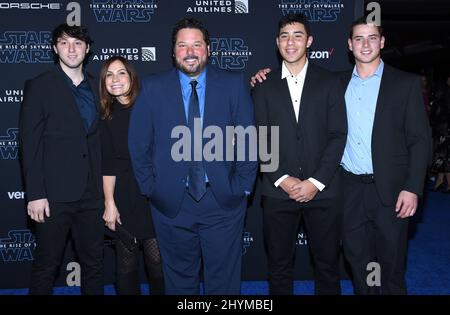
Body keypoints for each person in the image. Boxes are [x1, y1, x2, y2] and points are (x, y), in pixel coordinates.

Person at [128, 17, 257, 295]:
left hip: (223, 201)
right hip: (172, 204)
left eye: (197, 44)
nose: (190, 51)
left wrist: (243, 187)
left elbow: (248, 140)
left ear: (208, 49)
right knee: (179, 283)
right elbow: (139, 145)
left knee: (223, 283)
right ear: (173, 51)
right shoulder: (153, 87)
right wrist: (152, 189)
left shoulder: (233, 84)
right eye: (182, 45)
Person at [251, 13, 347, 295]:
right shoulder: (263, 86)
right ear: (277, 42)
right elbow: (260, 137)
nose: (290, 42)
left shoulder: (330, 83)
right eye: (284, 36)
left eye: (297, 36)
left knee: (327, 267)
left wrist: (315, 182)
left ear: (309, 41)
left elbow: (337, 135)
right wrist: (281, 178)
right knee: (279, 267)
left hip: (325, 192)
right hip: (278, 192)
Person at [338, 17, 432, 294]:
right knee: (358, 261)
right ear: (349, 44)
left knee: (391, 266)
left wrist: (413, 187)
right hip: (349, 188)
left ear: (382, 42)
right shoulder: (335, 83)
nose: (365, 44)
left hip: (392, 189)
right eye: (359, 38)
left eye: (371, 38)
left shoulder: (405, 84)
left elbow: (420, 140)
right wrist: (265, 76)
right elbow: (298, 83)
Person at [19, 23, 104, 295]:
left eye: (78, 43)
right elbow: (29, 144)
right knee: (47, 265)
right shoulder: (39, 86)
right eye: (64, 43)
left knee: (94, 265)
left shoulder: (99, 86)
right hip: (53, 195)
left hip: (92, 193)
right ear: (55, 48)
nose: (71, 49)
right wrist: (35, 194)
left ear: (87, 48)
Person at [99, 56, 165, 295]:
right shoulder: (105, 116)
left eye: (121, 73)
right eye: (109, 74)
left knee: (157, 261)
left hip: (154, 193)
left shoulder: (150, 105)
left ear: (132, 76)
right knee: (126, 264)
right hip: (124, 194)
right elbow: (109, 164)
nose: (115, 79)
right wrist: (109, 203)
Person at [430, 74, 450, 192]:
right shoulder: (443, 94)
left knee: (443, 155)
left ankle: (442, 182)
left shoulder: (442, 94)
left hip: (443, 129)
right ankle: (441, 181)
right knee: (442, 156)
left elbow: (434, 115)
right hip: (443, 129)